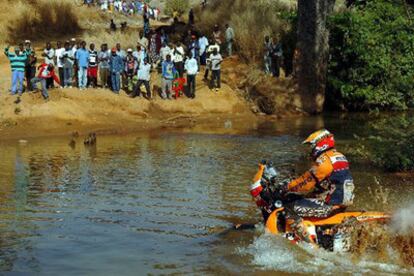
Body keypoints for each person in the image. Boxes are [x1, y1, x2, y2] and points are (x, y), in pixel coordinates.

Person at [283, 130, 355, 218]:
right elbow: (332, 181)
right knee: (304, 197)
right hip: (340, 203)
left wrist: (286, 187)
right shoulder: (338, 156)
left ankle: (301, 231)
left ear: (319, 144)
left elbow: (305, 183)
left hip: (331, 206)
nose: (310, 150)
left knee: (289, 206)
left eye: (311, 146)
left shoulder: (324, 161)